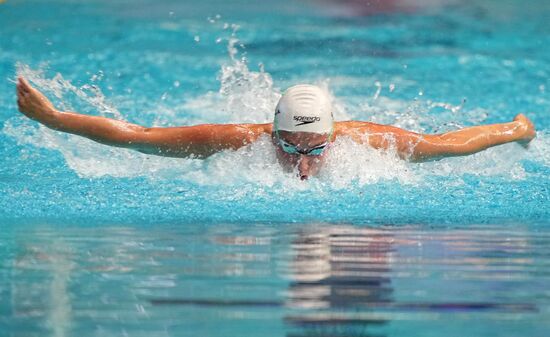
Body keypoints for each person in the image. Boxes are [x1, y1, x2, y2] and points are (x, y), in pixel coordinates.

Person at [16, 77, 536, 180]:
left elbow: (452, 145)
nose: (302, 162)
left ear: (334, 134)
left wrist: (516, 129)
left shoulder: (370, 143)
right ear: (271, 133)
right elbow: (139, 137)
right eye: (288, 144)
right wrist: (55, 119)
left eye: (314, 146)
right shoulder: (236, 140)